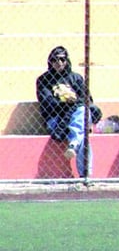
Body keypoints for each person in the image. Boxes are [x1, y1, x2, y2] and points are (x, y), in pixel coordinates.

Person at [35, 46, 95, 178]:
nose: (59, 63)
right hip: (56, 120)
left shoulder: (76, 78)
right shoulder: (44, 80)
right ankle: (86, 177)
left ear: (67, 61)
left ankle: (74, 146)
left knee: (82, 111)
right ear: (50, 62)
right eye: (55, 60)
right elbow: (47, 104)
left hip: (76, 117)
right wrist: (66, 103)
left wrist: (73, 102)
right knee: (82, 133)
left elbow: (88, 100)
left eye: (62, 59)